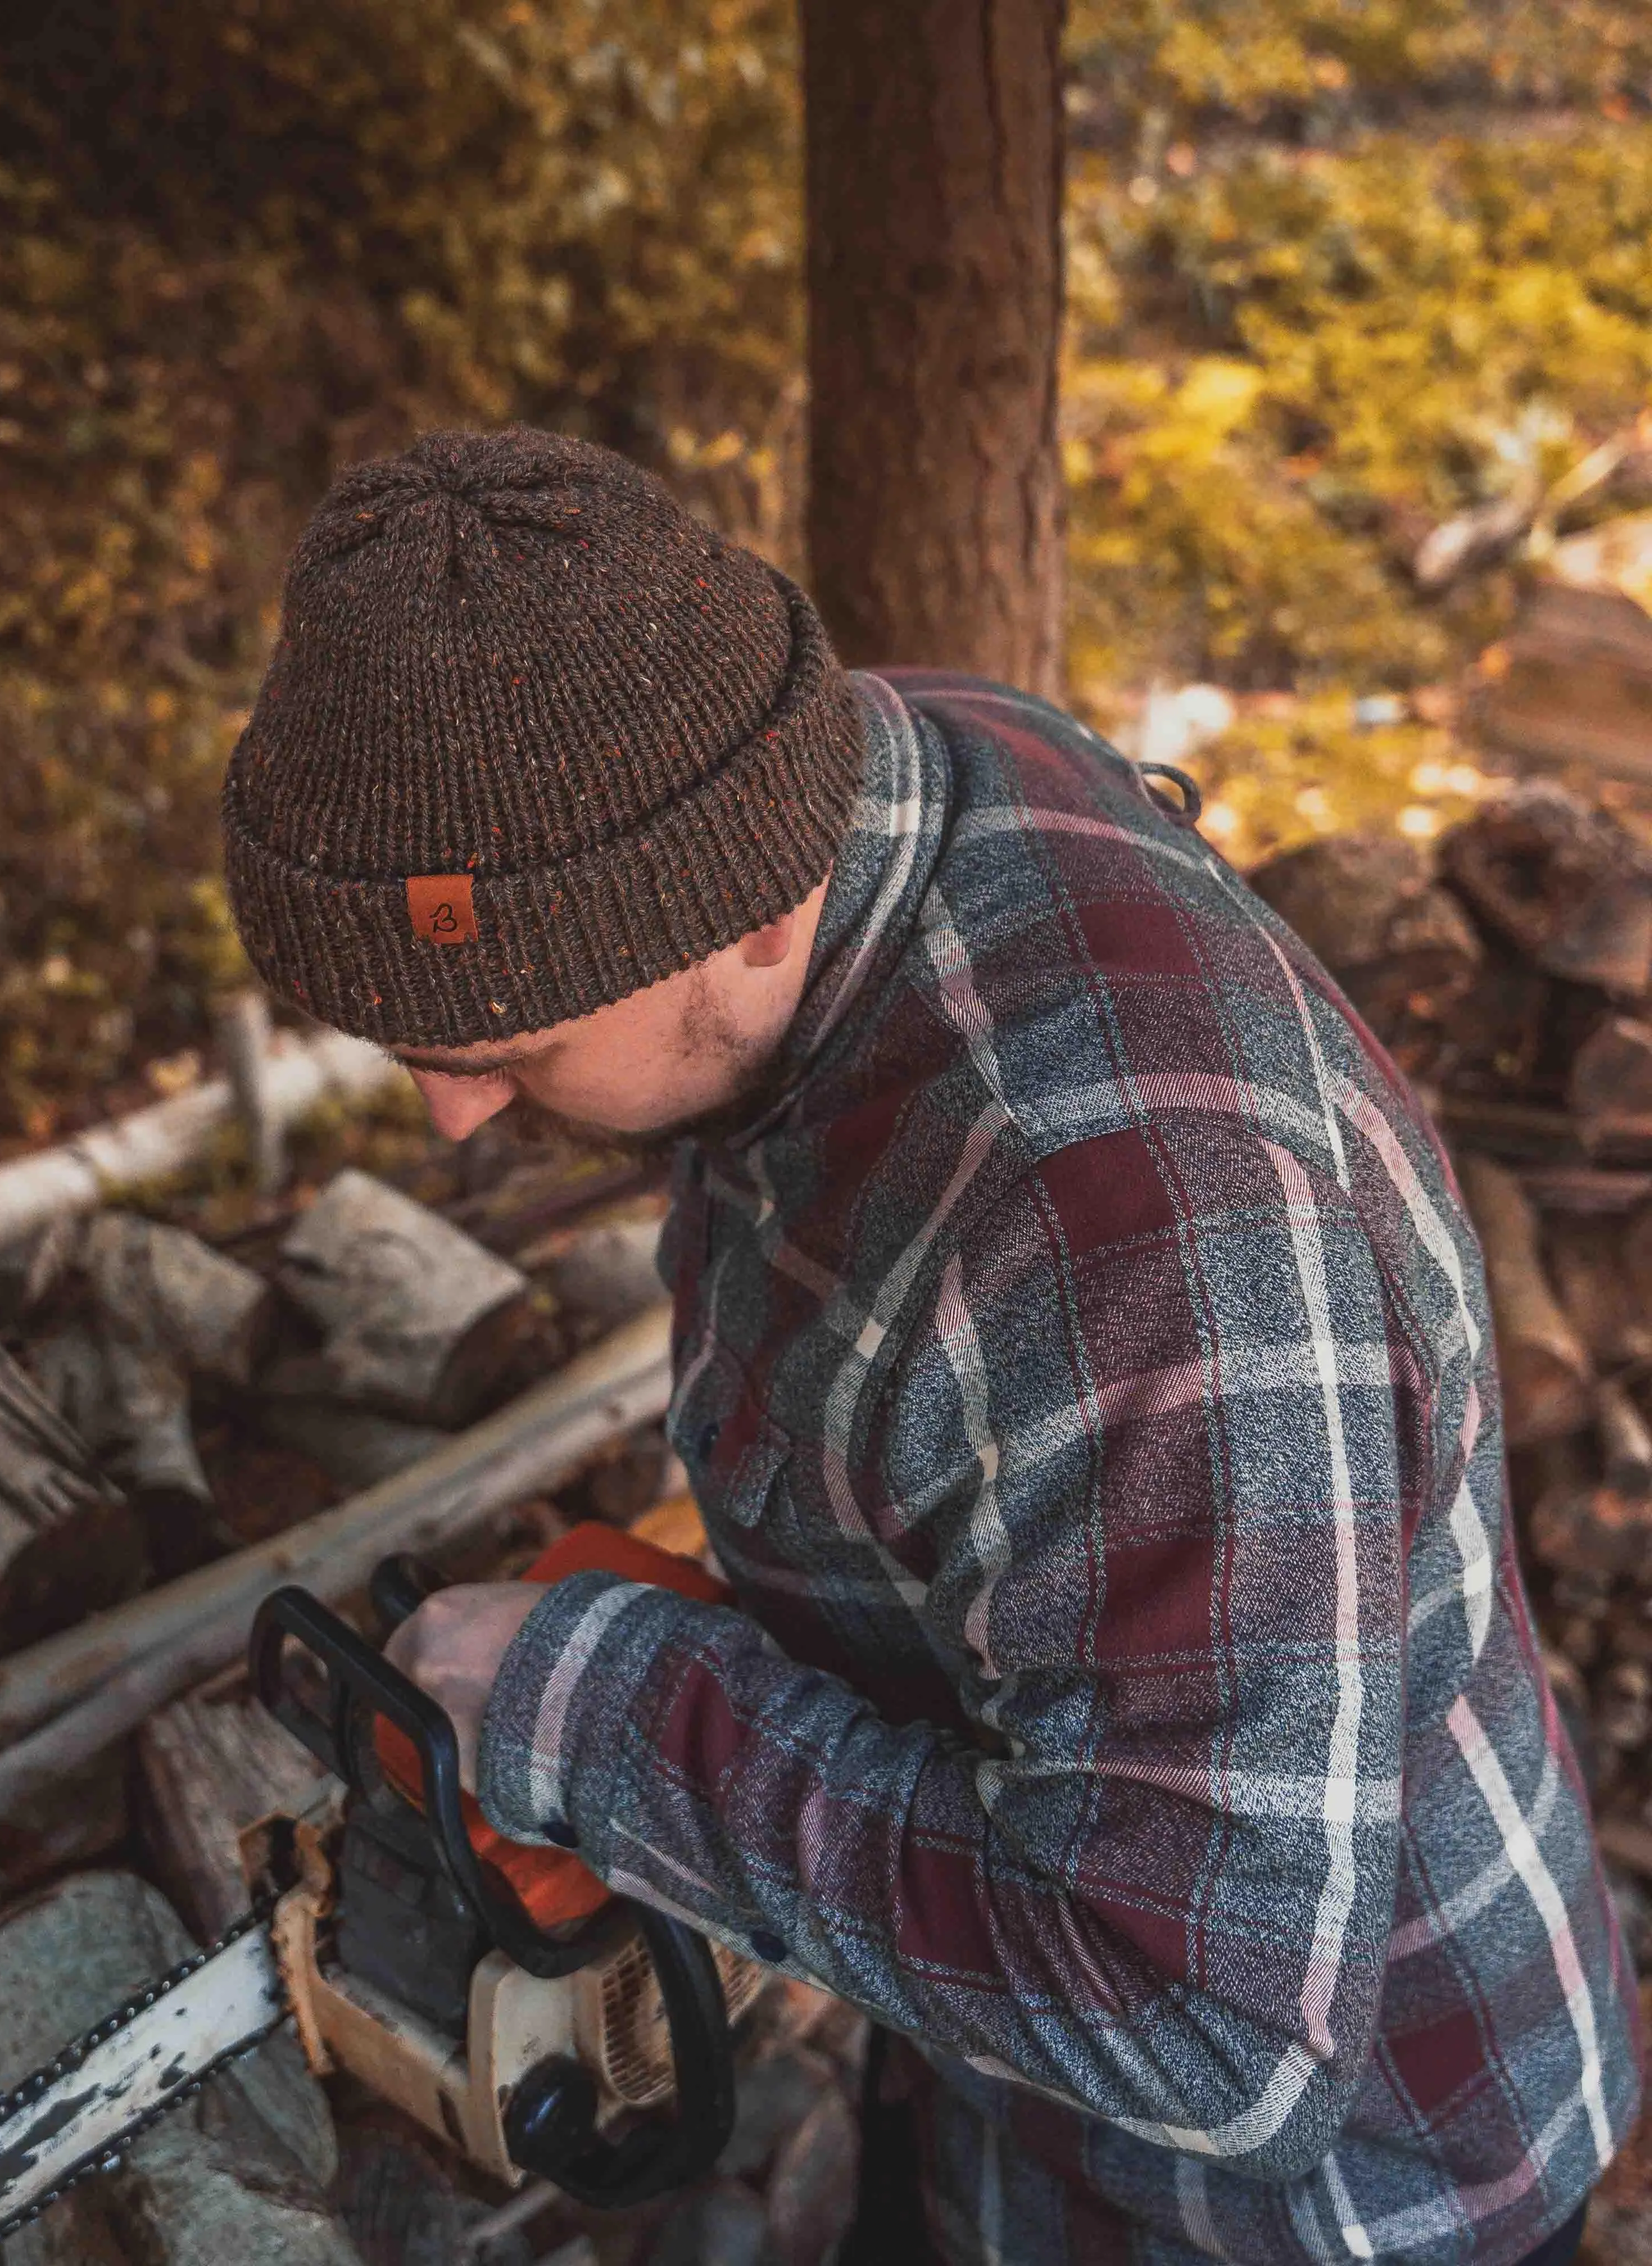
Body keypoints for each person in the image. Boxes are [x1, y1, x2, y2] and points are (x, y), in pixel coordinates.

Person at [216, 425, 1640, 2263]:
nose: (455, 1122)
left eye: (505, 1037)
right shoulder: (863, 772)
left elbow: (1210, 2032)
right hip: (1023, 2116)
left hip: (1342, 2191)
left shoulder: (1136, 1234)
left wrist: (617, 1714)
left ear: (724, 911)